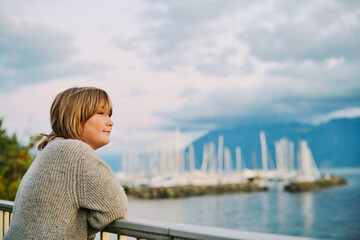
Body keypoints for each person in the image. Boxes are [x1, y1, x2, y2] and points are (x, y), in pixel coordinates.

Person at [4, 87, 128, 240]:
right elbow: (116, 207)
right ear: (76, 116)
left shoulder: (52, 148)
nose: (110, 122)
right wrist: (84, 225)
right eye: (101, 113)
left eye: (109, 114)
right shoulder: (75, 152)